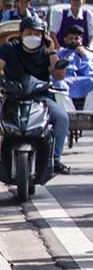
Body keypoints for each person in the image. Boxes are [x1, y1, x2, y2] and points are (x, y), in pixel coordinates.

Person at [0, 16, 70, 173]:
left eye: (37, 33)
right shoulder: (9, 48)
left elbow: (59, 75)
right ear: (21, 34)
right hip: (12, 98)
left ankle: (55, 159)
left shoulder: (46, 52)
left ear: (43, 35)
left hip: (41, 98)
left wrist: (51, 50)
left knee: (62, 118)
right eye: (29, 32)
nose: (33, 36)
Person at [56, 25, 93, 113]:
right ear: (65, 40)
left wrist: (85, 56)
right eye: (70, 38)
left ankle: (90, 116)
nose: (73, 41)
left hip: (86, 81)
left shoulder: (92, 55)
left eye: (76, 38)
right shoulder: (59, 54)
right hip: (65, 81)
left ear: (81, 40)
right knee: (57, 86)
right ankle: (69, 115)